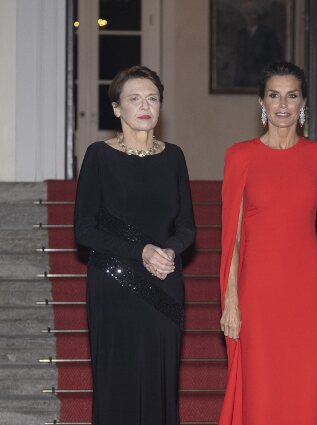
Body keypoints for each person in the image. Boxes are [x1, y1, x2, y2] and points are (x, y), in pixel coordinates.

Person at [218, 61, 317, 425]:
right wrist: (231, 301)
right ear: (261, 102)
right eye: (274, 95)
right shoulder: (240, 156)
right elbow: (233, 237)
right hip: (257, 294)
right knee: (260, 392)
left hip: (306, 293)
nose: (282, 105)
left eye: (292, 96)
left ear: (303, 102)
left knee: (301, 394)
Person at [74, 65, 196, 425]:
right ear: (117, 108)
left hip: (164, 282)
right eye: (134, 99)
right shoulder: (99, 155)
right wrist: (141, 251)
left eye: (152, 98)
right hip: (114, 283)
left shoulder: (174, 157)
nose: (145, 106)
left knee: (161, 381)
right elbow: (84, 229)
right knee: (117, 383)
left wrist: (170, 251)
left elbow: (187, 226)